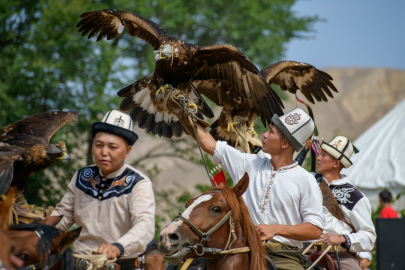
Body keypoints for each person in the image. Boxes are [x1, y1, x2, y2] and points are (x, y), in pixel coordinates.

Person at [169, 93, 324, 270]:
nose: (263, 135)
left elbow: (315, 229)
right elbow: (210, 145)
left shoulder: (305, 180)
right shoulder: (248, 163)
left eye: (271, 132)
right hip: (239, 250)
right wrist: (183, 113)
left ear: (285, 144)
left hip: (283, 256)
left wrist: (276, 229)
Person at [44, 110, 156, 268]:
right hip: (79, 263)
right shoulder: (82, 176)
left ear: (127, 151)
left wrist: (118, 247)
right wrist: (39, 231)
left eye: (113, 147)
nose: (104, 152)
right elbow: (63, 214)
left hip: (121, 265)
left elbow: (145, 226)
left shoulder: (139, 183)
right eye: (99, 145)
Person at [314, 136, 376, 270]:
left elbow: (369, 237)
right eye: (320, 154)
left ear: (336, 163)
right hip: (305, 251)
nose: (318, 158)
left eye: (323, 155)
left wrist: (342, 239)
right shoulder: (308, 182)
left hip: (340, 257)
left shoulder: (355, 196)